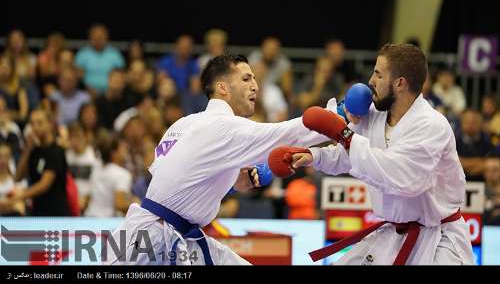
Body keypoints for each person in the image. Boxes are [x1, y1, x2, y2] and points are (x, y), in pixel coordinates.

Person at [103, 54, 332, 265]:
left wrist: (232, 181)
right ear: (223, 87)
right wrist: (338, 117)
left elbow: (181, 175)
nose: (255, 85)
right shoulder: (223, 126)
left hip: (177, 236)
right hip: (148, 239)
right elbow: (287, 134)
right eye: (246, 78)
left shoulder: (184, 124)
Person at [273, 43, 474, 265]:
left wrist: (345, 135)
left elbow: (401, 179)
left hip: (439, 241)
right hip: (391, 236)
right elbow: (348, 156)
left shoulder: (431, 125)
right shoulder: (374, 113)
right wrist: (314, 156)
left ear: (399, 83)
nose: (370, 81)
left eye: (378, 74)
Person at [12, 109, 71, 216]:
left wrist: (20, 196)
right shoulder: (34, 151)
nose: (35, 127)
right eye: (32, 123)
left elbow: (44, 185)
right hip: (38, 211)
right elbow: (18, 177)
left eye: (39, 123)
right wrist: (28, 150)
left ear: (50, 124)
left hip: (56, 213)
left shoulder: (56, 151)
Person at [85, 135, 138, 217]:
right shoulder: (123, 174)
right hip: (107, 223)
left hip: (89, 218)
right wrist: (136, 205)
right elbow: (119, 204)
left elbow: (87, 198)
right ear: (114, 153)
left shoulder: (95, 169)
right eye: (122, 148)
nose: (125, 151)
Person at [75, 24, 125, 95]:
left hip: (110, 94)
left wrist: (110, 90)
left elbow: (120, 76)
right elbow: (78, 77)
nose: (98, 38)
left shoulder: (115, 54)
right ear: (90, 37)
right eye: (95, 35)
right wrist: (88, 89)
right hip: (87, 93)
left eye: (101, 36)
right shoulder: (82, 54)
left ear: (106, 36)